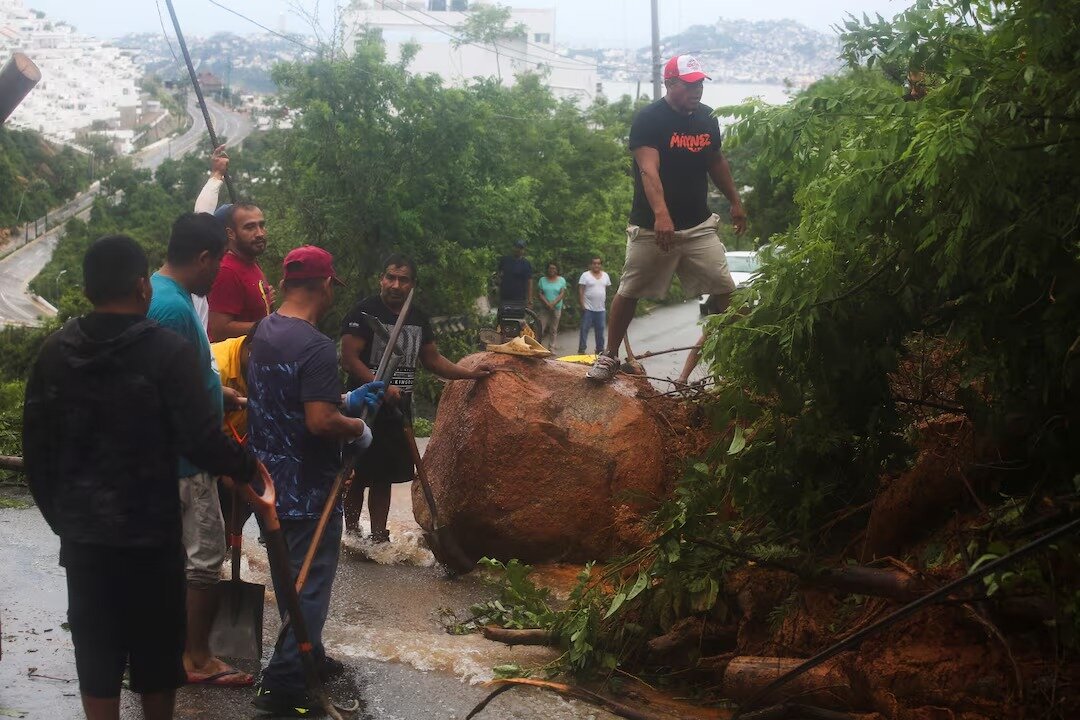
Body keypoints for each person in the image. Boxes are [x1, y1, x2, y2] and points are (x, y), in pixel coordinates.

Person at [23, 235, 261, 720]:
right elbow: (200, 439)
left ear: (87, 289)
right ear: (141, 286)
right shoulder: (166, 351)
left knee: (97, 648)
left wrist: (63, 520)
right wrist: (247, 467)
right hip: (151, 534)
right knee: (157, 651)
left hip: (85, 538)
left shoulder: (56, 351)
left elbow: (36, 450)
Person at [247, 245, 382, 716]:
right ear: (325, 285)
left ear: (286, 283)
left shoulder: (264, 331)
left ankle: (309, 653)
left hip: (266, 483)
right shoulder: (316, 346)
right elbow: (319, 421)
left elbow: (287, 400)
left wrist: (344, 398)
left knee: (289, 575)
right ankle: (284, 683)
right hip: (308, 488)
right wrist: (357, 427)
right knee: (310, 584)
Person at [587, 54, 747, 382]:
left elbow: (716, 161)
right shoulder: (650, 120)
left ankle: (749, 353)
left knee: (726, 289)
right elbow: (649, 170)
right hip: (652, 228)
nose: (697, 90)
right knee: (629, 290)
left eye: (700, 83)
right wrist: (661, 215)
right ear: (670, 83)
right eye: (689, 84)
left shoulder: (707, 118)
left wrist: (735, 201)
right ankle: (609, 356)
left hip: (698, 225)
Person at [147, 212, 253, 687]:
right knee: (204, 557)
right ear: (205, 257)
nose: (220, 274)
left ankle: (172, 647)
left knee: (181, 557)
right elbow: (166, 389)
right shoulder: (171, 308)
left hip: (181, 453)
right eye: (220, 262)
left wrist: (218, 391)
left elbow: (186, 373)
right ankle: (197, 659)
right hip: (186, 458)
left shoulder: (168, 296)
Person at [340, 253, 491, 543]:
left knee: (383, 476)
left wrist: (470, 374)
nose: (395, 285)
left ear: (412, 284)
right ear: (381, 279)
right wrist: (380, 387)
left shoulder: (417, 318)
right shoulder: (363, 312)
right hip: (364, 407)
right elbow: (349, 359)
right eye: (391, 277)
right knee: (358, 472)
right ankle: (352, 532)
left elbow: (433, 360)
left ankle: (378, 537)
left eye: (403, 279)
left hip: (398, 409)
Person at [201, 145, 274, 341]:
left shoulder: (250, 262)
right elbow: (218, 329)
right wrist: (273, 325)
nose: (260, 233)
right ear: (230, 234)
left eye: (261, 225)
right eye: (250, 227)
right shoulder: (227, 271)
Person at [577, 256, 611, 355]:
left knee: (600, 330)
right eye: (594, 263)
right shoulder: (585, 275)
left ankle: (600, 350)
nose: (596, 265)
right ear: (591, 265)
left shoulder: (605, 275)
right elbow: (581, 290)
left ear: (601, 265)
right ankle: (581, 350)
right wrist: (582, 304)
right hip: (588, 308)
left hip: (601, 309)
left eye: (598, 263)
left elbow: (607, 290)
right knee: (584, 329)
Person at [536, 261, 567, 350]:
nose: (552, 270)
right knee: (540, 327)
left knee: (553, 329)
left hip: (556, 308)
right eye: (550, 268)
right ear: (547, 269)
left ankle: (551, 347)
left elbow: (562, 293)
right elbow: (540, 293)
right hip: (544, 307)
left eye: (554, 268)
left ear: (557, 270)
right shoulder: (542, 280)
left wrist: (553, 303)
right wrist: (547, 303)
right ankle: (537, 346)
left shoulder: (561, 280)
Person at [496, 239, 533, 307]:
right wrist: (498, 289)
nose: (518, 250)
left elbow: (529, 282)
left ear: (524, 250)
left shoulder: (526, 264)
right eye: (517, 247)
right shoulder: (505, 260)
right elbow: (499, 275)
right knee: (503, 313)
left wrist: (530, 299)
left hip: (520, 298)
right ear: (513, 248)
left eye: (521, 248)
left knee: (518, 313)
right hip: (505, 297)